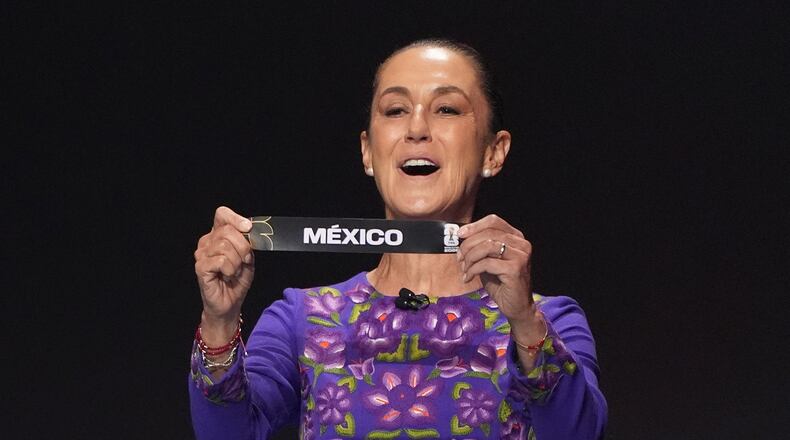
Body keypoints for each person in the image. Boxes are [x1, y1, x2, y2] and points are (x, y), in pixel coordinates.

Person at [189, 39, 607, 439]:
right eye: (395, 110)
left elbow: (580, 433)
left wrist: (523, 322)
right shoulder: (302, 320)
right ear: (368, 152)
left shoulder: (550, 322)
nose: (417, 128)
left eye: (446, 108)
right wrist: (220, 321)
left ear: (494, 152)